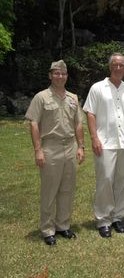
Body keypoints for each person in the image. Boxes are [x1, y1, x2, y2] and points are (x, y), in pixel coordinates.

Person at [25, 60, 85, 246]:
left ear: (67, 76)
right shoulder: (41, 97)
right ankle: (48, 229)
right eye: (56, 73)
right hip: (50, 147)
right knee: (50, 190)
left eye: (63, 74)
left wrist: (81, 146)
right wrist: (38, 150)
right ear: (50, 75)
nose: (60, 76)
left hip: (70, 146)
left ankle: (63, 225)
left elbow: (78, 123)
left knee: (67, 189)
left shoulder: (73, 98)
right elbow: (34, 123)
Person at [83, 53, 124, 238]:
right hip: (104, 142)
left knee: (122, 181)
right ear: (109, 67)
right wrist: (94, 138)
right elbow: (90, 113)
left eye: (121, 65)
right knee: (105, 180)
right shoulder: (97, 88)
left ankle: (118, 217)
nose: (118, 68)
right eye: (115, 64)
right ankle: (104, 220)